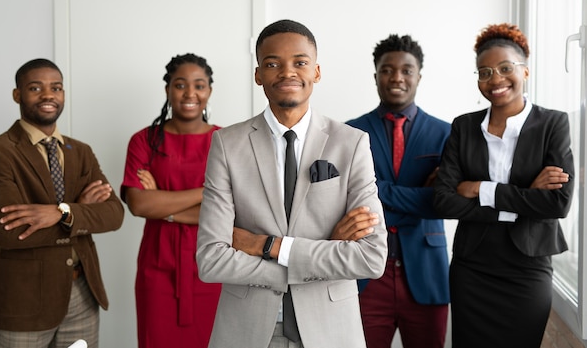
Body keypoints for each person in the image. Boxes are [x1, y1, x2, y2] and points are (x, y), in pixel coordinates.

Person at [196, 19, 388, 348]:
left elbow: (371, 257)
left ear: (316, 71)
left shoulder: (351, 143)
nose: (288, 73)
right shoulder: (227, 144)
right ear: (258, 75)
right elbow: (212, 260)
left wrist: (268, 247)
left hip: (330, 331)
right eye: (273, 64)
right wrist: (322, 251)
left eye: (299, 62)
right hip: (248, 330)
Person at [434, 23, 574, 348]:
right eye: (484, 72)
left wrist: (483, 190)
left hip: (528, 268)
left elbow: (558, 203)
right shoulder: (464, 127)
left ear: (525, 71)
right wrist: (525, 198)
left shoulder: (553, 123)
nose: (495, 79)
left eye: (505, 68)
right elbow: (443, 200)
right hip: (472, 268)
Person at [0, 58, 125, 348]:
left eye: (56, 88)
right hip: (25, 300)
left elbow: (114, 215)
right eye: (36, 87)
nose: (48, 95)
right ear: (17, 95)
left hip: (83, 294)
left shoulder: (80, 151)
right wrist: (81, 211)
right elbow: (11, 233)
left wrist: (61, 211)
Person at [347, 34, 450, 348]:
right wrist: (418, 198)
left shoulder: (446, 133)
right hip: (365, 276)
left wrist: (376, 191)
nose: (397, 77)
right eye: (387, 70)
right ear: (375, 76)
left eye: (407, 70)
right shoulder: (349, 133)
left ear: (419, 76)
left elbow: (443, 204)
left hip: (426, 273)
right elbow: (348, 200)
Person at [121, 53, 222, 348]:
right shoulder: (145, 141)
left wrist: (163, 207)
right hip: (158, 268)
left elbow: (231, 211)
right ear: (167, 90)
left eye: (199, 85)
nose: (190, 93)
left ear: (209, 91)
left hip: (213, 265)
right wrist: (207, 192)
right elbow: (139, 205)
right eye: (180, 85)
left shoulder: (226, 141)